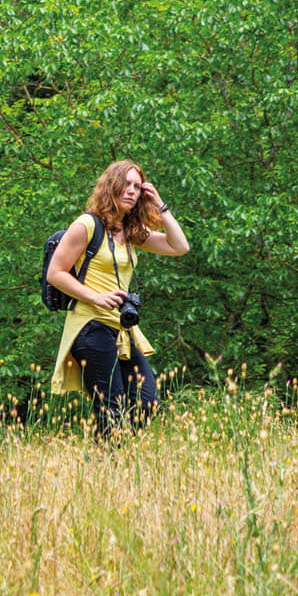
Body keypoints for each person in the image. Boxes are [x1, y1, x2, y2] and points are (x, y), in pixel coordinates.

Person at [45, 161, 189, 437]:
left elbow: (179, 246)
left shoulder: (132, 232)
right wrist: (96, 297)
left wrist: (160, 205)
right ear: (112, 186)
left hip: (123, 330)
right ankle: (105, 467)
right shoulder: (87, 225)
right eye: (126, 184)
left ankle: (107, 459)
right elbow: (55, 272)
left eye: (137, 186)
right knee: (111, 409)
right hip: (90, 326)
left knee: (146, 404)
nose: (132, 191)